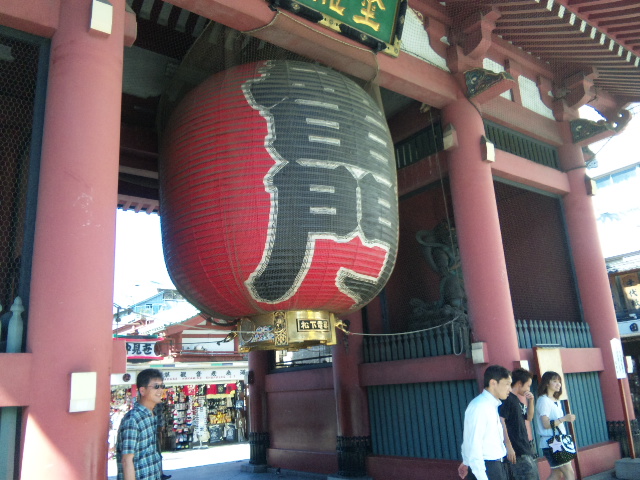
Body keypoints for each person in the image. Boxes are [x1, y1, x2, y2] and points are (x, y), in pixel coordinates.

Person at [459, 365, 512, 480]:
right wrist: (481, 476)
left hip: (496, 466)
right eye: (507, 384)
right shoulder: (480, 406)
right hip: (487, 468)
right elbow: (474, 443)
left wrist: (466, 461)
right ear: (493, 383)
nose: (510, 389)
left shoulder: (490, 405)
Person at [116, 369, 166, 480]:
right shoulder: (133, 419)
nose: (161, 390)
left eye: (162, 386)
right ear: (142, 391)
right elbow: (127, 460)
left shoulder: (152, 415)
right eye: (156, 386)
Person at [534, 371, 576, 480]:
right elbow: (546, 424)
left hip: (557, 441)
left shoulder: (555, 400)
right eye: (555, 381)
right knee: (569, 472)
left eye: (559, 381)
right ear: (547, 383)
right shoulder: (543, 400)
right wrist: (564, 419)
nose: (558, 384)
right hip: (552, 442)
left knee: (557, 474)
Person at [499, 368, 540, 480]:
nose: (528, 389)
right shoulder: (507, 399)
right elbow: (501, 420)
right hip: (517, 450)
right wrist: (509, 446)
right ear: (519, 383)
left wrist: (531, 401)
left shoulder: (516, 400)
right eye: (528, 385)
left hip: (525, 448)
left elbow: (529, 417)